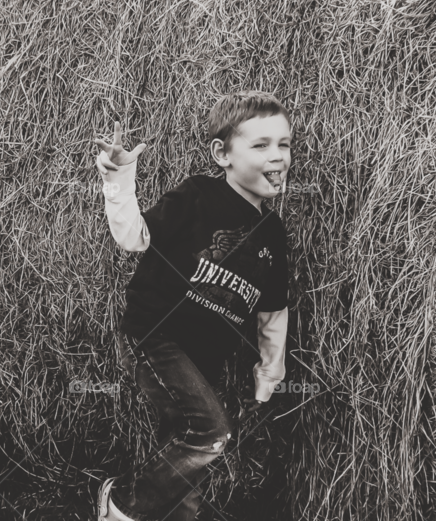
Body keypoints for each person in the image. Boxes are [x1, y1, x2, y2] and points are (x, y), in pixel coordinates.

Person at [92, 91, 292, 521]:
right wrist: (118, 179)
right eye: (260, 145)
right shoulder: (198, 195)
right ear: (222, 154)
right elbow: (134, 237)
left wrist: (269, 370)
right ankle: (123, 505)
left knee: (185, 448)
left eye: (284, 144)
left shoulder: (273, 235)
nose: (277, 156)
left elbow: (272, 311)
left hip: (204, 359)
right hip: (154, 336)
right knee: (210, 431)